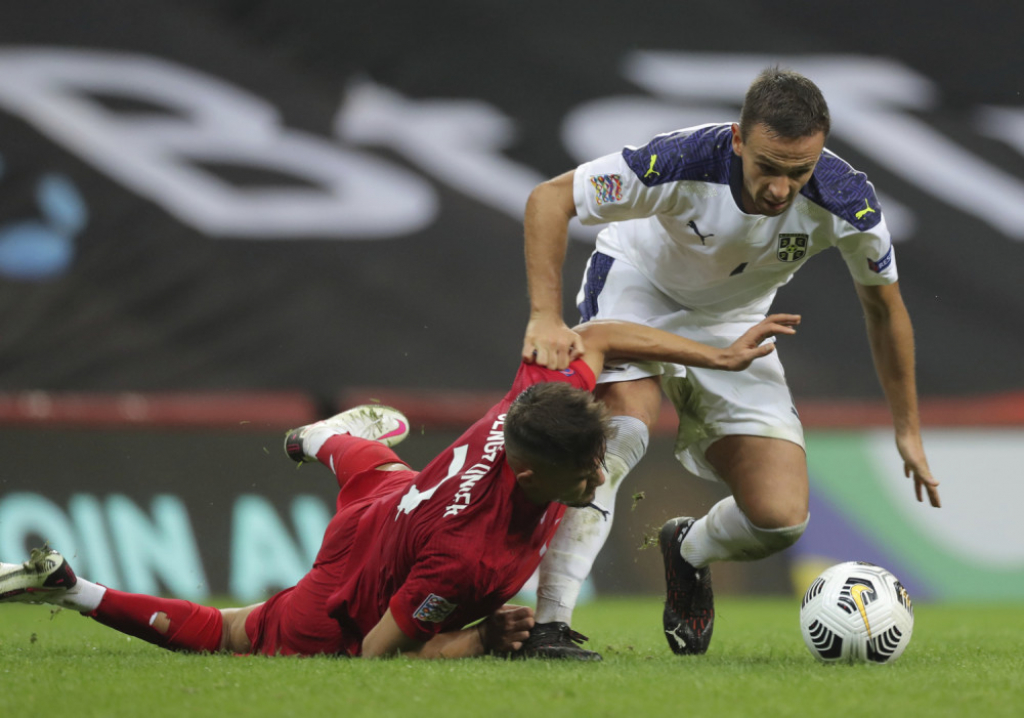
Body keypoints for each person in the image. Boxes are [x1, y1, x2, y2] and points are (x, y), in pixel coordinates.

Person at [0, 314, 797, 659]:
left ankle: (323, 436)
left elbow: (593, 337)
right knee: (237, 633)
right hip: (351, 583)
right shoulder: (470, 562)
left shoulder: (530, 408)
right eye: (582, 471)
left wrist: (715, 357)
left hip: (397, 502)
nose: (597, 476)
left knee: (380, 473)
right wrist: (480, 641)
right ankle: (74, 590)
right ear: (526, 476)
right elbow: (382, 656)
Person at [519, 66, 942, 660]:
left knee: (779, 518)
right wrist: (545, 315)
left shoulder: (845, 199)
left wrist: (907, 427)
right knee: (621, 437)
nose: (779, 188)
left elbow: (885, 310)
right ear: (739, 139)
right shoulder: (681, 160)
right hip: (636, 290)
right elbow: (549, 199)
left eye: (798, 172)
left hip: (736, 323)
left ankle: (689, 550)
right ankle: (551, 626)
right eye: (768, 166)